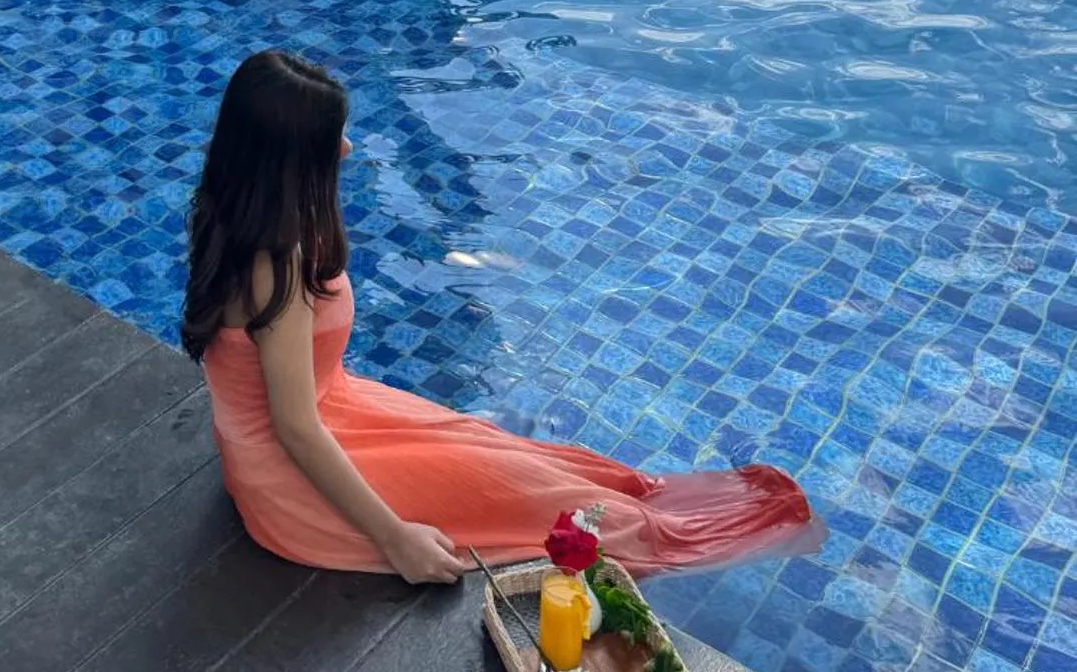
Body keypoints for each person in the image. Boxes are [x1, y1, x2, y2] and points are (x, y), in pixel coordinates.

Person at [183, 49, 818, 585]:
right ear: (291, 160)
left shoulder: (228, 213)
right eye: (332, 142)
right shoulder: (277, 265)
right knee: (582, 519)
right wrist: (395, 537)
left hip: (325, 418)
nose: (347, 148)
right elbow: (295, 428)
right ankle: (752, 538)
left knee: (517, 460)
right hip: (296, 473)